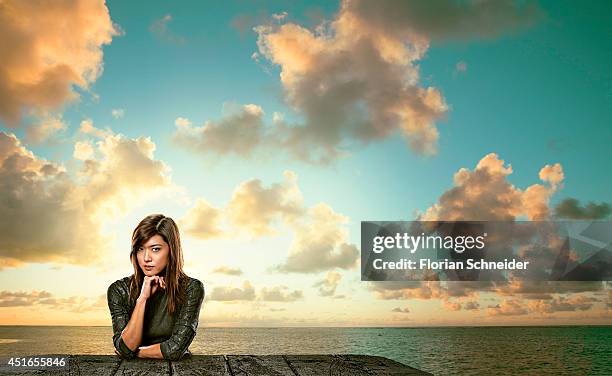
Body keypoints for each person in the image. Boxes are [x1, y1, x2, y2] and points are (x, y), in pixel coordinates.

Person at [107, 214, 205, 360]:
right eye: (140, 249)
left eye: (155, 249)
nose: (146, 258)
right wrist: (142, 299)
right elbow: (126, 345)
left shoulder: (191, 289)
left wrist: (134, 352)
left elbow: (174, 350)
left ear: (172, 250)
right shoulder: (119, 290)